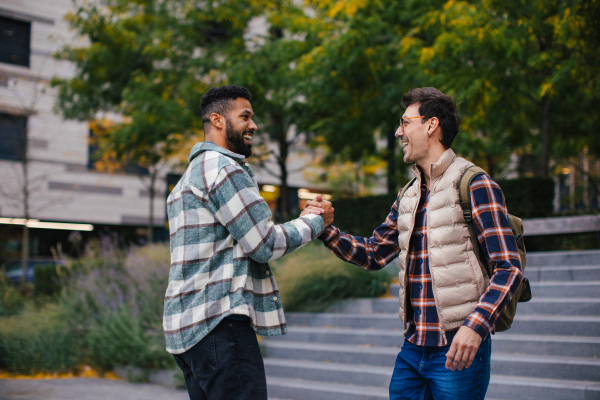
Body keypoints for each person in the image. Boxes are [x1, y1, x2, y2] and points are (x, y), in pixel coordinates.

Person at [305, 87, 523, 400]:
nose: (398, 132)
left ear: (431, 125)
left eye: (405, 123)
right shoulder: (408, 194)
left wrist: (475, 327)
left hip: (457, 347)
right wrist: (325, 229)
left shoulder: (474, 183)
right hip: (412, 346)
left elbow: (508, 266)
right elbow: (374, 253)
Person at [163, 84, 333, 400]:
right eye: (245, 116)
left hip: (189, 331)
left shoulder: (188, 177)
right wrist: (315, 221)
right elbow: (264, 243)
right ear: (217, 120)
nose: (253, 125)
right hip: (220, 325)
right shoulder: (223, 168)